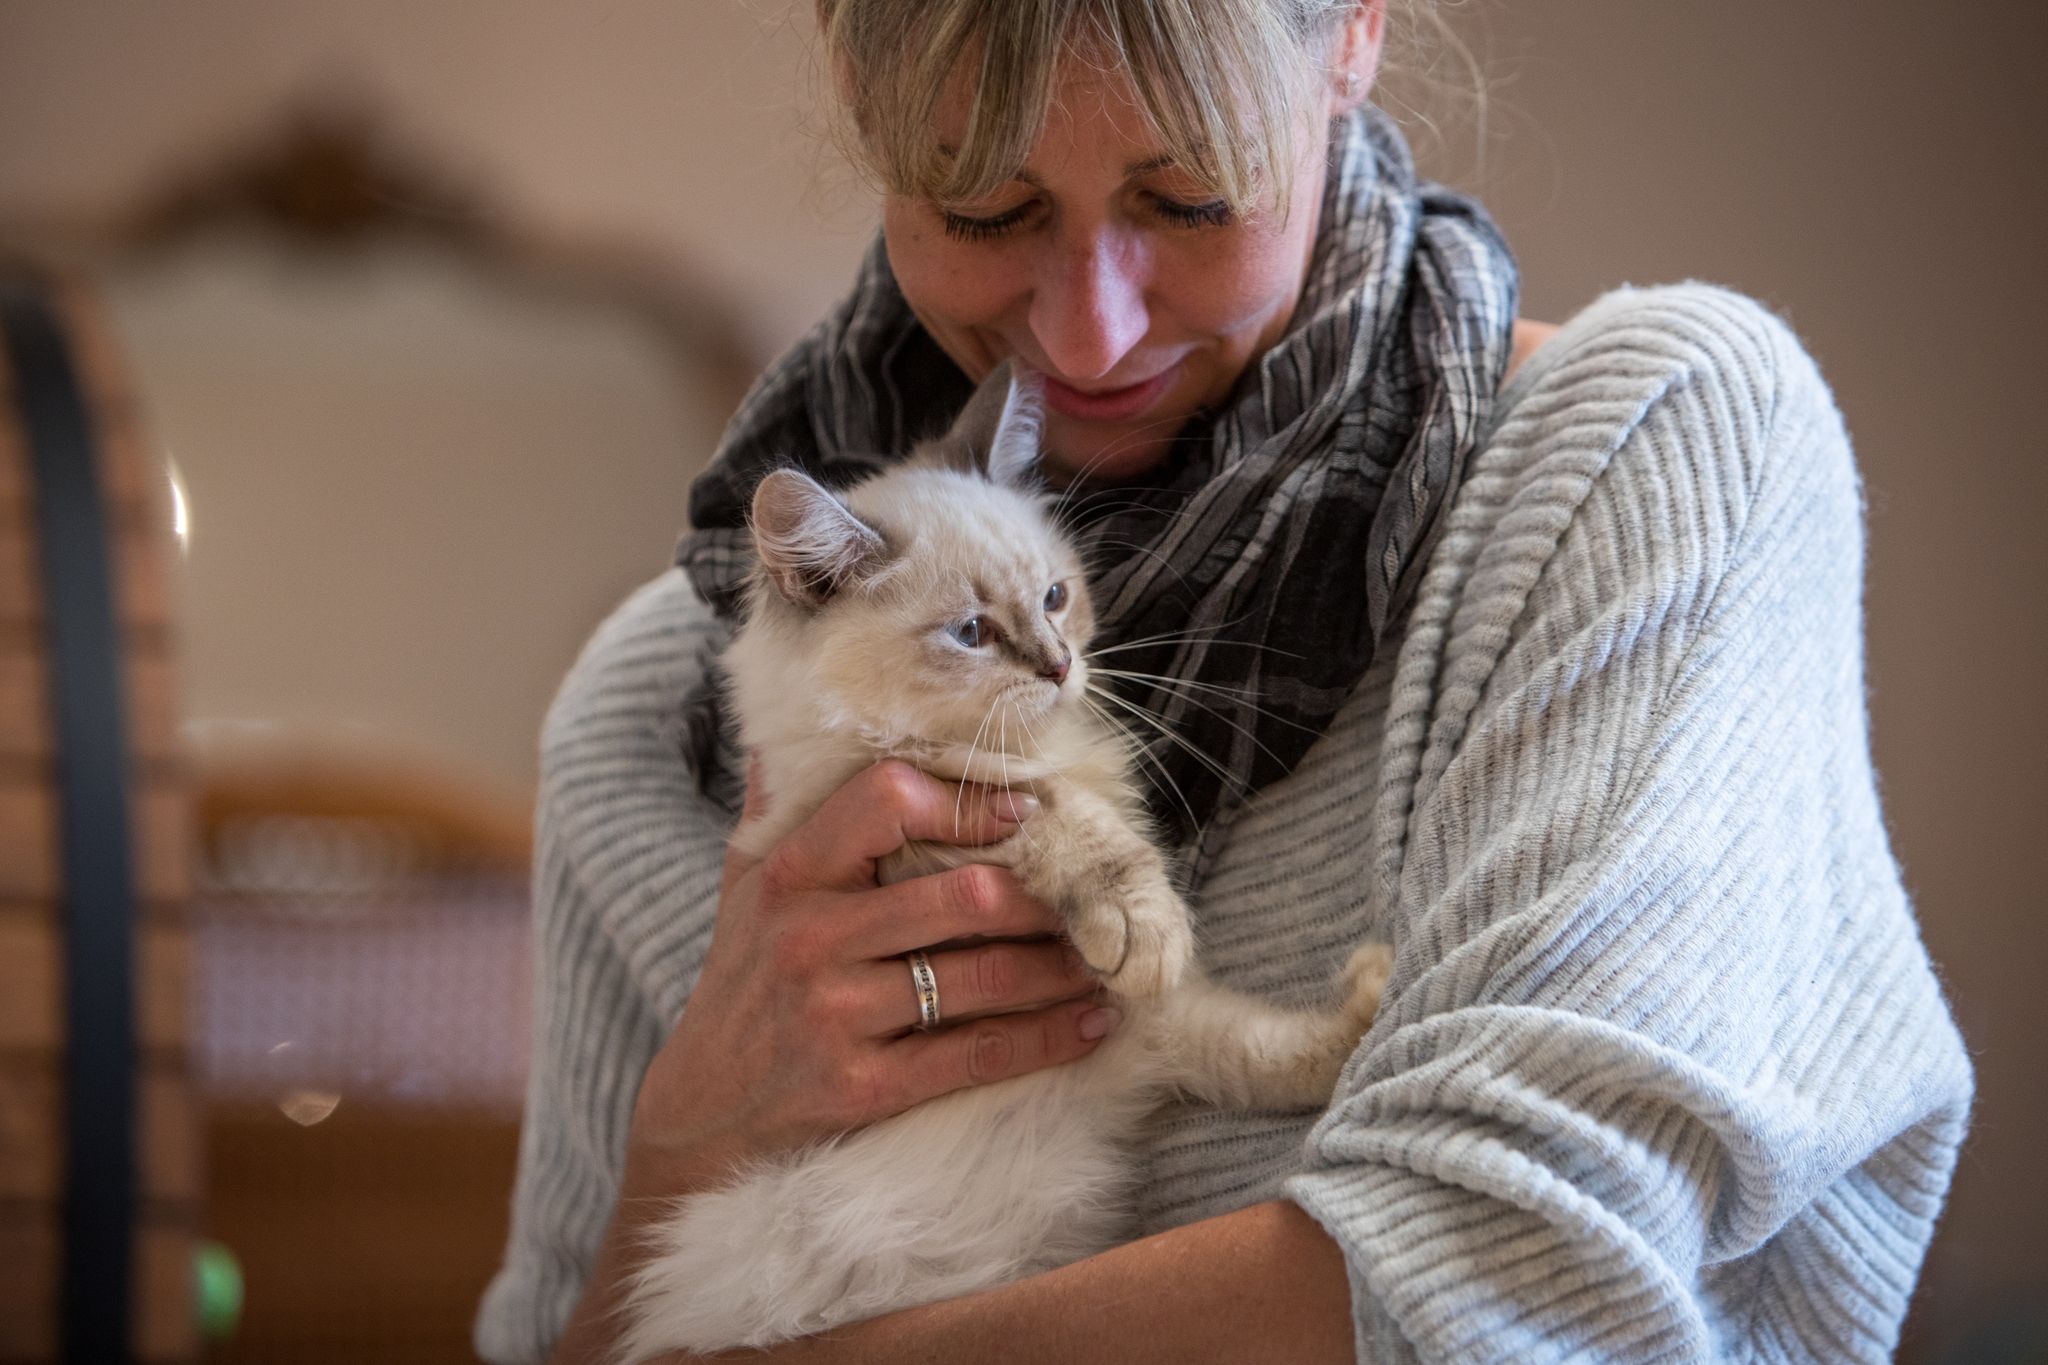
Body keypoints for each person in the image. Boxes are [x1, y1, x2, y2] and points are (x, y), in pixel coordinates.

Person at [476, 2, 1974, 1361]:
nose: (1089, 329)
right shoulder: (645, 709)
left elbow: (1525, 1282)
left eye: (1186, 198)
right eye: (985, 205)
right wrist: (671, 1164)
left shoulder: (1640, 465)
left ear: (1355, 33)